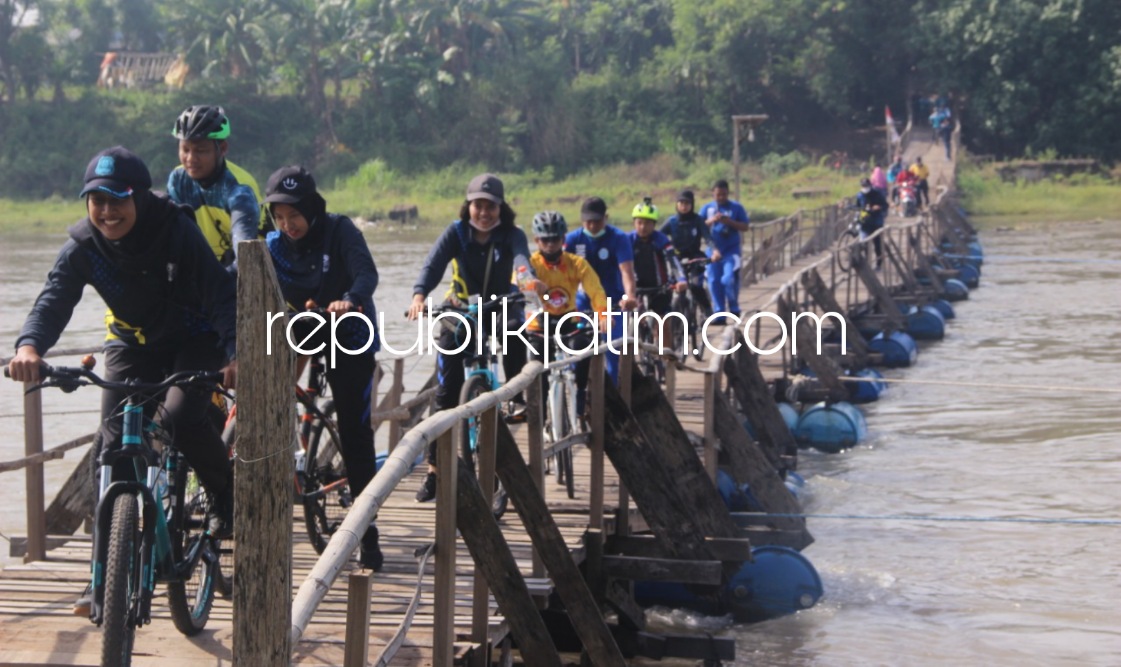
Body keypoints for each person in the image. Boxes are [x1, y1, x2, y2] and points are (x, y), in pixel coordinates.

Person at [7, 147, 238, 608]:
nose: (107, 213)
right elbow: (53, 300)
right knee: (111, 449)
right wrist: (29, 347)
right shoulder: (83, 247)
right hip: (132, 344)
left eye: (118, 200)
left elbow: (221, 295)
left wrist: (236, 356)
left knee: (179, 418)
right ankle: (102, 576)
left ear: (139, 199)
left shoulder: (176, 231)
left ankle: (228, 503)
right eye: (97, 201)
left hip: (195, 340)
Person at [262, 165, 383, 570]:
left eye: (293, 215)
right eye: (278, 217)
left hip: (349, 330)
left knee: (354, 432)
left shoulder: (339, 230)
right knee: (266, 397)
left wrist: (350, 297)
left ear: (311, 208)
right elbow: (243, 281)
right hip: (302, 328)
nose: (287, 224)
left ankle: (367, 533)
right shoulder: (273, 244)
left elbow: (366, 271)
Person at [407, 173, 531, 503]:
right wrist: (419, 294)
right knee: (447, 389)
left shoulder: (512, 235)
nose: (484, 212)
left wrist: (528, 280)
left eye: (491, 206)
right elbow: (432, 265)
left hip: (501, 306)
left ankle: (517, 395)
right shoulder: (457, 232)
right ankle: (434, 470)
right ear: (468, 206)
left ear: (501, 208)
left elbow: (522, 263)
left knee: (514, 331)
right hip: (461, 307)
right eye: (478, 205)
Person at [525, 210, 607, 421]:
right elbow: (518, 283)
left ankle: (580, 397)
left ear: (563, 239)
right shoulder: (530, 264)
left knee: (584, 350)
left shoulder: (576, 263)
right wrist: (528, 284)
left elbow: (595, 290)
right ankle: (539, 417)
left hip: (568, 321)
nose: (550, 244)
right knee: (537, 371)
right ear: (537, 240)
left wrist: (603, 314)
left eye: (555, 239)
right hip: (538, 324)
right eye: (545, 239)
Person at [168, 105, 267, 269]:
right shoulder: (178, 179)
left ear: (222, 149)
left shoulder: (239, 188)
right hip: (210, 267)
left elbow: (246, 255)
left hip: (255, 269)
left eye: (201, 151)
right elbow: (175, 235)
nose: (191, 158)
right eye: (185, 149)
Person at [564, 197, 638, 385]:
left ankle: (611, 398)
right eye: (588, 221)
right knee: (576, 351)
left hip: (612, 302)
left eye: (597, 221)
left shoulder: (619, 238)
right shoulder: (573, 240)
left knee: (613, 351)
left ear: (606, 218)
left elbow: (626, 271)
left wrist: (630, 296)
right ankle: (579, 402)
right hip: (582, 302)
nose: (592, 225)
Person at [628, 198, 687, 351]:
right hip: (637, 289)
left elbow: (673, 261)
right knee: (634, 320)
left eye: (647, 223)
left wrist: (681, 279)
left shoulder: (660, 240)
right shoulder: (628, 241)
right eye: (639, 222)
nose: (643, 227)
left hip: (659, 288)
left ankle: (666, 361)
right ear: (634, 223)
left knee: (662, 324)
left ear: (654, 225)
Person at [697, 179, 750, 322]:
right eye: (718, 195)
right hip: (713, 252)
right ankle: (719, 314)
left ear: (728, 193)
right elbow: (698, 227)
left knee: (727, 279)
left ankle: (733, 307)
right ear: (713, 194)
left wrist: (729, 222)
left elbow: (745, 226)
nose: (721, 198)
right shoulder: (706, 209)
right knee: (714, 282)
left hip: (731, 252)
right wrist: (712, 220)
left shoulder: (736, 208)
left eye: (724, 194)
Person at [660, 189, 716, 316]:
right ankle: (671, 316)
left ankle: (707, 309)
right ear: (677, 204)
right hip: (676, 259)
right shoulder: (672, 222)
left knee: (695, 285)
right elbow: (658, 237)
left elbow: (708, 238)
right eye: (681, 203)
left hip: (695, 258)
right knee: (671, 288)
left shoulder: (698, 220)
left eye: (687, 203)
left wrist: (715, 251)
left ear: (692, 205)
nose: (684, 206)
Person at [855, 177, 888, 268]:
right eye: (863, 186)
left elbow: (885, 205)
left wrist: (879, 207)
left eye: (866, 186)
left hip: (876, 222)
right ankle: (866, 264)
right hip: (865, 222)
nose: (865, 188)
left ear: (870, 185)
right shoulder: (860, 195)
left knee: (877, 244)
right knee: (864, 244)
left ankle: (879, 263)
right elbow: (857, 206)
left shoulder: (877, 194)